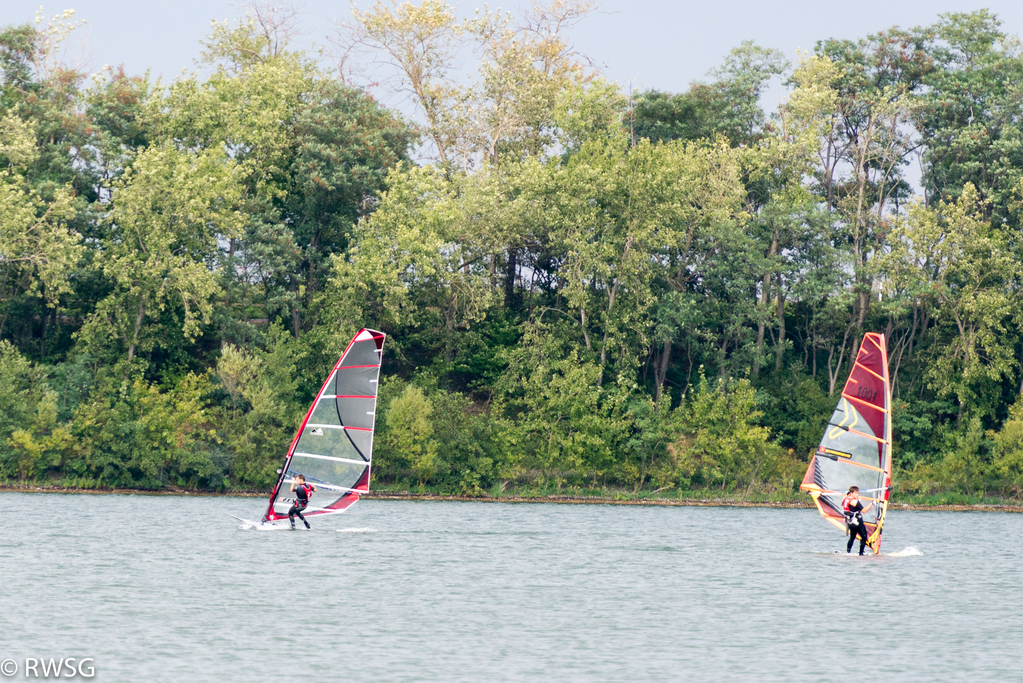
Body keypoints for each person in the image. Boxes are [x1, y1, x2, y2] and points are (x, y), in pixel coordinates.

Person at [842, 486, 873, 555]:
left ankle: (848, 551)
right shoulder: (855, 501)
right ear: (851, 493)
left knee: (852, 536)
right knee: (864, 536)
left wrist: (846, 495)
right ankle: (861, 553)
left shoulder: (846, 499)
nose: (857, 495)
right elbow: (864, 511)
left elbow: (842, 504)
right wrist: (872, 503)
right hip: (857, 521)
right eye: (855, 493)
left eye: (857, 493)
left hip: (849, 521)